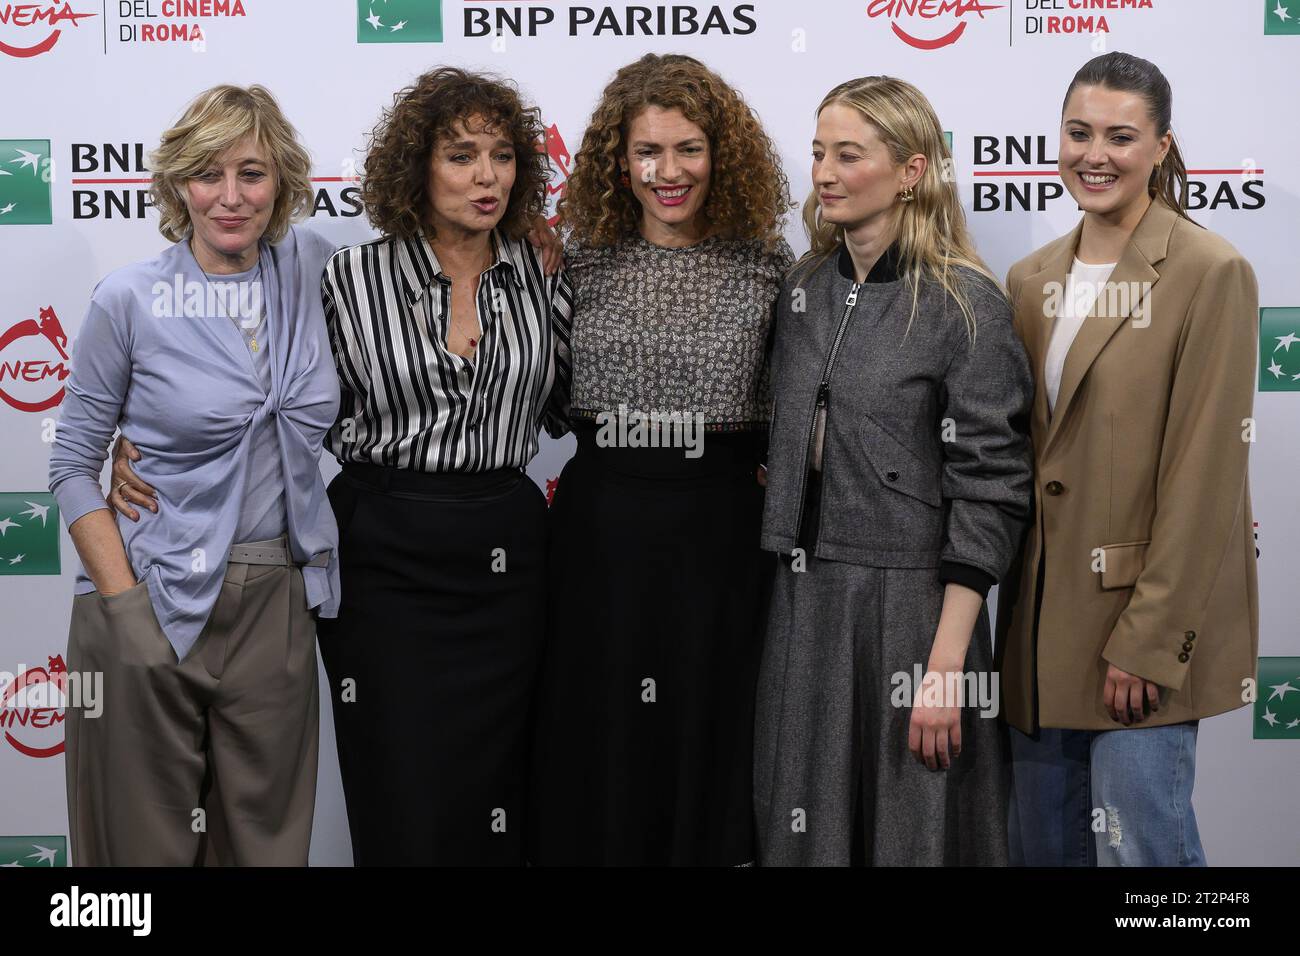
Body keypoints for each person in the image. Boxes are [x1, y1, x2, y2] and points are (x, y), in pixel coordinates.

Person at [48, 84, 340, 866]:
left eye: (251, 172)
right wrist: (125, 610)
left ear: (281, 181)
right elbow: (73, 465)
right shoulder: (130, 299)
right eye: (208, 174)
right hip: (150, 590)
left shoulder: (313, 270)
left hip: (276, 603)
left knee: (267, 851)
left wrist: (535, 243)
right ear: (179, 183)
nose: (230, 196)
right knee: (140, 857)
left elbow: (434, 239)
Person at [755, 76, 1034, 866]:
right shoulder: (802, 289)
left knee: (914, 834)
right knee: (803, 832)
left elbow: (992, 489)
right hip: (804, 602)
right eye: (818, 154)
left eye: (849, 154)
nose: (825, 173)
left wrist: (944, 670)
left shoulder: (965, 304)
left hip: (917, 611)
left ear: (911, 171)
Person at [527, 53, 793, 867]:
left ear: (723, 154)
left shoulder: (768, 264)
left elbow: (798, 411)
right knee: (601, 729)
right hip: (600, 531)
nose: (668, 172)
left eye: (688, 149)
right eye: (649, 152)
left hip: (721, 534)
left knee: (711, 724)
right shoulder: (578, 263)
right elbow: (536, 398)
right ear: (619, 160)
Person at [996, 52, 1260, 868]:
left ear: (1161, 148)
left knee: (1144, 859)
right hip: (1042, 629)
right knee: (1047, 851)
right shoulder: (1029, 276)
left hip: (1138, 631)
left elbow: (1206, 474)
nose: (1093, 154)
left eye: (1120, 136)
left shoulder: (1210, 271)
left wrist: (1148, 641)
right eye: (1078, 133)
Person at [313, 67, 572, 866]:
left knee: (505, 778)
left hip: (507, 552)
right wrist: (133, 445)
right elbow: (280, 411)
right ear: (416, 168)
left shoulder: (547, 270)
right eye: (461, 155)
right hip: (382, 550)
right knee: (400, 779)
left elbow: (574, 403)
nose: (486, 176)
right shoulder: (348, 281)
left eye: (501, 155)